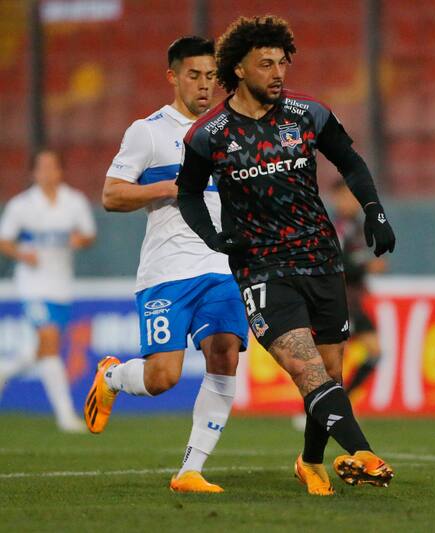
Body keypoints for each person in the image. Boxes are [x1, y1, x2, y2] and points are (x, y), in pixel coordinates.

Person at [176, 15, 397, 496]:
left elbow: (350, 161)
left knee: (332, 372)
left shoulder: (307, 114)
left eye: (283, 62)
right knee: (306, 369)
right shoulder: (208, 134)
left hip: (321, 259)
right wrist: (213, 237)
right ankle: (363, 452)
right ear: (237, 69)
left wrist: (374, 210)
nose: (279, 72)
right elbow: (188, 194)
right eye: (266, 63)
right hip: (262, 270)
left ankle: (311, 461)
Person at [83, 36, 249, 493]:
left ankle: (191, 470)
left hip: (221, 267)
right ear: (173, 76)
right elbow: (112, 195)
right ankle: (112, 376)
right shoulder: (149, 131)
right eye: (194, 75)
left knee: (225, 354)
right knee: (163, 378)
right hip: (166, 272)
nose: (204, 85)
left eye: (212, 76)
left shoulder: (233, 131)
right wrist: (168, 188)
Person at [0, 149, 96, 432]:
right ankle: (65, 415)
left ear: (60, 171)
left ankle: (4, 370)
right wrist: (22, 254)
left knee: (41, 349)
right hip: (33, 284)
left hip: (61, 285)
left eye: (52, 167)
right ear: (33, 173)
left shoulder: (74, 201)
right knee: (50, 341)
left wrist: (80, 240)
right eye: (41, 167)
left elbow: (88, 234)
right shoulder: (22, 205)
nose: (47, 173)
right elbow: (4, 240)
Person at [331, 181, 386, 396]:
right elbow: (336, 262)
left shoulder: (356, 225)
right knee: (333, 358)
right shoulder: (338, 227)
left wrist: (364, 274)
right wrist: (366, 266)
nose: (353, 201)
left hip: (354, 302)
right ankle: (319, 409)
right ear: (337, 199)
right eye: (347, 197)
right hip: (341, 301)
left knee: (375, 352)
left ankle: (343, 401)